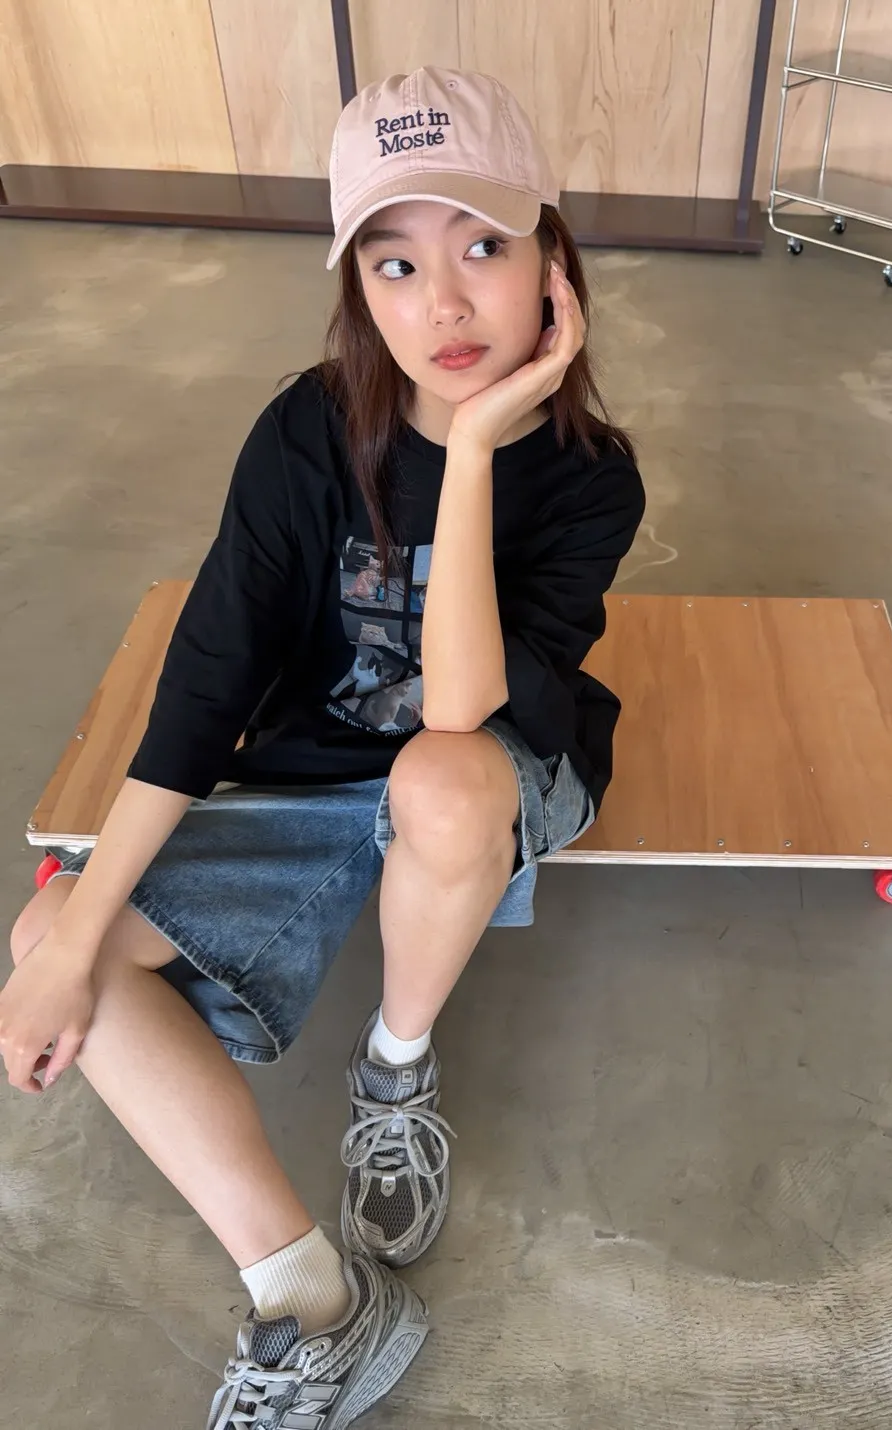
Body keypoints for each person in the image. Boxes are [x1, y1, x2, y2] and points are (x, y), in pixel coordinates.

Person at [0, 67, 644, 1427]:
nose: (445, 304)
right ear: (359, 286)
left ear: (552, 258)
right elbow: (204, 685)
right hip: (317, 771)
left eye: (482, 246)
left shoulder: (593, 476)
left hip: (497, 771)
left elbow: (461, 707)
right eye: (395, 263)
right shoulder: (304, 432)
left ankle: (395, 1069)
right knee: (55, 933)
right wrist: (72, 932)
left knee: (440, 779)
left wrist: (473, 452)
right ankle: (312, 1298)